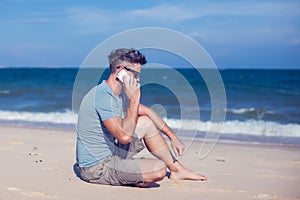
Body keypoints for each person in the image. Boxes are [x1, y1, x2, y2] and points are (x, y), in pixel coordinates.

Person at [76, 48, 207, 187]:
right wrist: (134, 98)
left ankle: (177, 170)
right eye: (136, 75)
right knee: (159, 170)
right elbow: (124, 137)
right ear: (121, 71)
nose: (138, 80)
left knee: (145, 122)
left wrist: (172, 136)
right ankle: (133, 177)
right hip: (96, 168)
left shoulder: (118, 95)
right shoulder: (103, 96)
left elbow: (148, 112)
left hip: (112, 154)